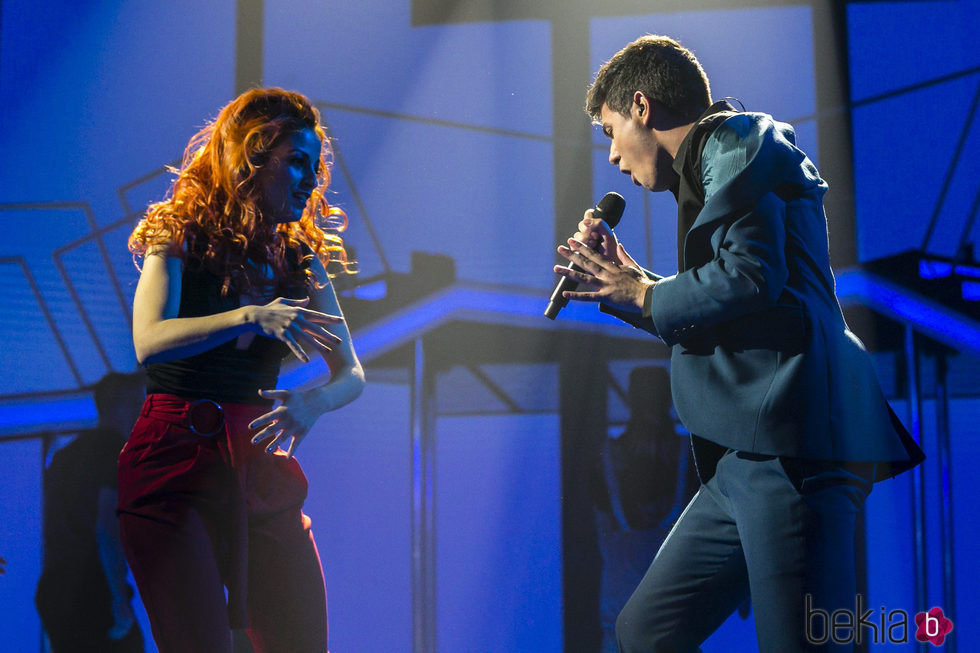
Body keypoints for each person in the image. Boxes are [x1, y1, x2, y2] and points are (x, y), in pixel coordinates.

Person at [553, 35, 924, 651]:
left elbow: (749, 277)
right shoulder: (716, 166)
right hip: (744, 458)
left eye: (610, 130)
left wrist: (644, 294)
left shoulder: (734, 142)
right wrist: (632, 285)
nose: (613, 156)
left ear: (642, 106)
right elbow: (732, 300)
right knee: (646, 630)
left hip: (794, 444)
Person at [120, 87, 364, 653]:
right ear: (252, 157)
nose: (309, 179)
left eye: (315, 164)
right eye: (295, 161)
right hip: (172, 461)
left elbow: (350, 371)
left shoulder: (300, 257)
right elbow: (148, 342)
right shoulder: (177, 232)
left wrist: (315, 401)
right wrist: (247, 315)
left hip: (257, 463)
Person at [35, 371, 146, 653]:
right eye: (140, 404)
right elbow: (106, 527)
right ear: (125, 405)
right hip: (91, 589)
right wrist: (118, 596)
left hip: (55, 589)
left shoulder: (63, 457)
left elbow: (51, 530)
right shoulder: (114, 451)